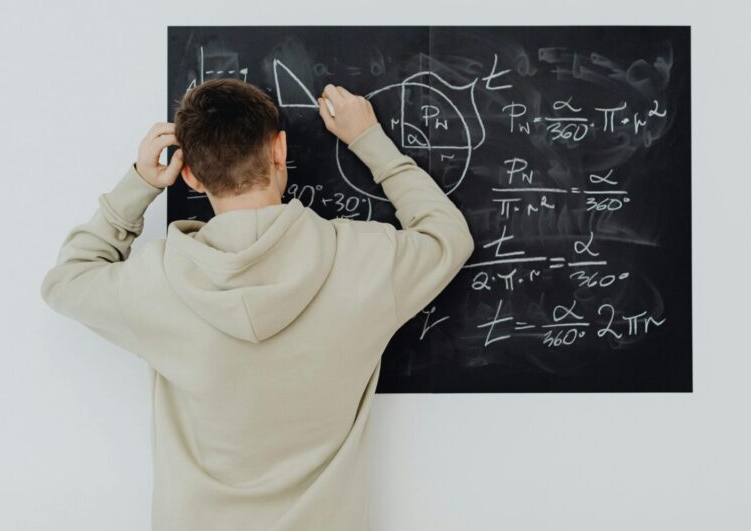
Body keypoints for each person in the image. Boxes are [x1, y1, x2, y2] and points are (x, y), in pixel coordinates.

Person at [40, 79, 475, 530]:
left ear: (187, 173)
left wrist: (138, 184)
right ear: (279, 150)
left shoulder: (157, 284)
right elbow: (447, 235)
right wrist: (368, 139)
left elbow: (67, 280)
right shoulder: (363, 262)